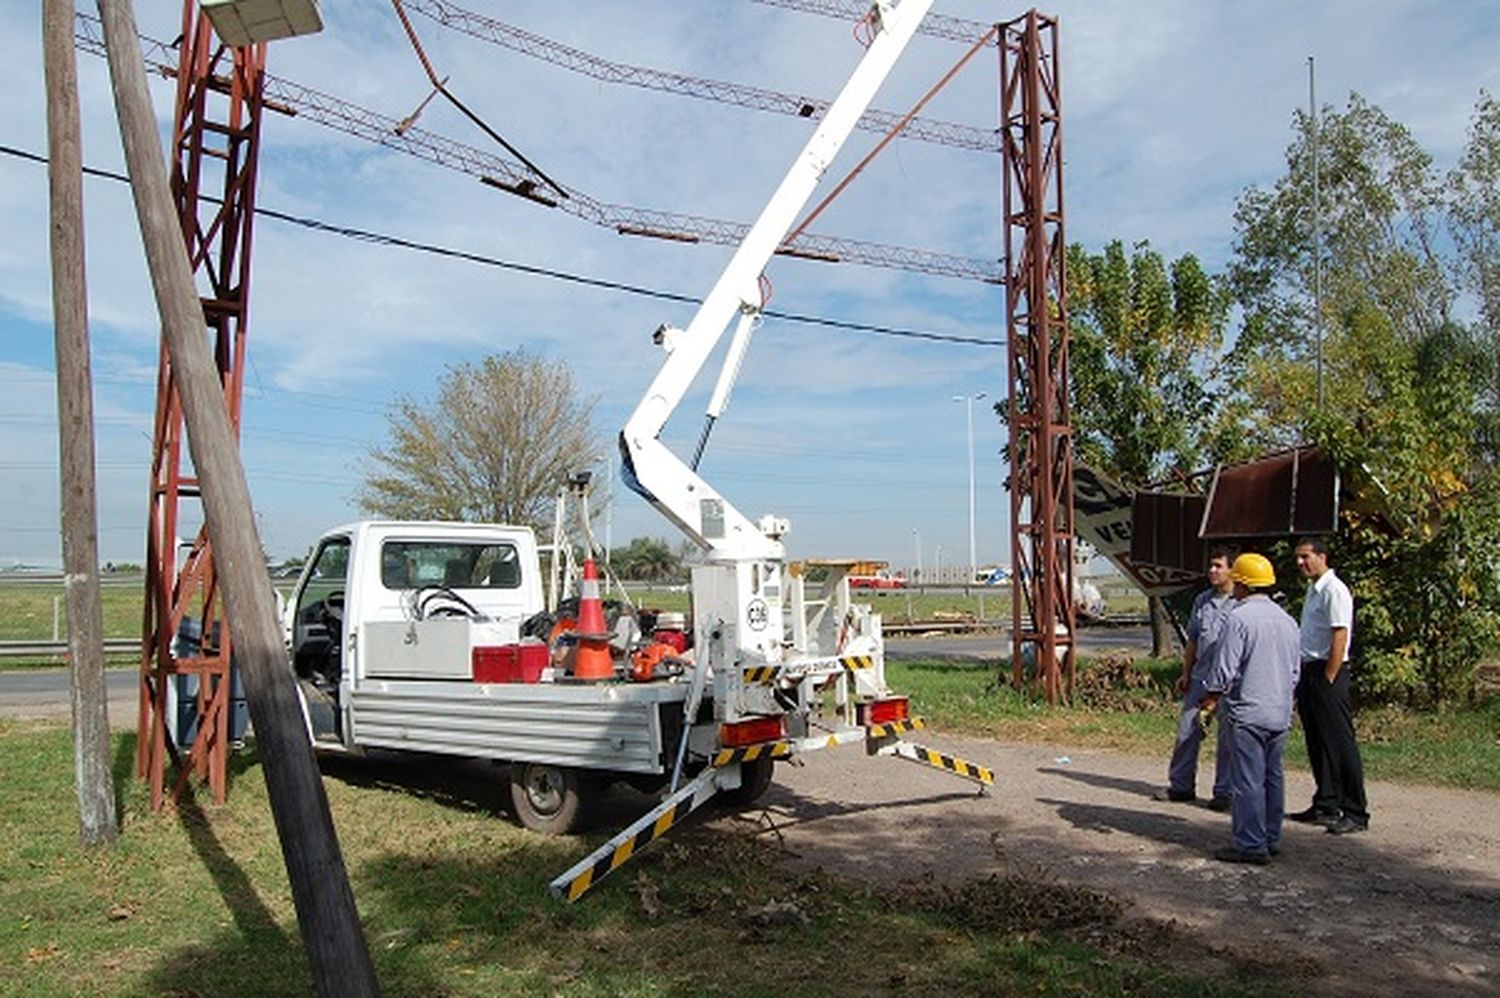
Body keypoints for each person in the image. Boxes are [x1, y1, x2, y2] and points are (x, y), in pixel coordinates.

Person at [1201, 552, 1301, 864]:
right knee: (1273, 776)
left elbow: (1224, 669)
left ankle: (1250, 844)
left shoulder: (1239, 619)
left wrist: (1211, 696)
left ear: (1241, 583)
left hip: (1247, 712)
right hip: (1280, 711)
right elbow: (1295, 671)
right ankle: (1272, 837)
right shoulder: (1287, 621)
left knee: (1247, 779)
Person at [1289, 537, 1370, 835]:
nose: (1300, 563)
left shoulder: (1334, 590)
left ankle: (1355, 810)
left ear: (1322, 556)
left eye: (1305, 556)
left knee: (1339, 742)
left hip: (1327, 671)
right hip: (1309, 671)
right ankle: (1326, 802)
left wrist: (1329, 677)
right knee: (1317, 740)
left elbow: (1340, 635)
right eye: (1298, 558)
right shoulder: (1314, 589)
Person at [1153, 547, 1237, 809]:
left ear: (1232, 570)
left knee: (1228, 738)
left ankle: (1225, 792)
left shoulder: (1242, 603)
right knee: (1187, 732)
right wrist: (1186, 672)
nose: (1212, 571)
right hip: (1201, 677)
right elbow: (1193, 639)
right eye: (1211, 566)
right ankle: (1181, 785)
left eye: (1218, 566)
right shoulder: (1202, 600)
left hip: (1229, 681)